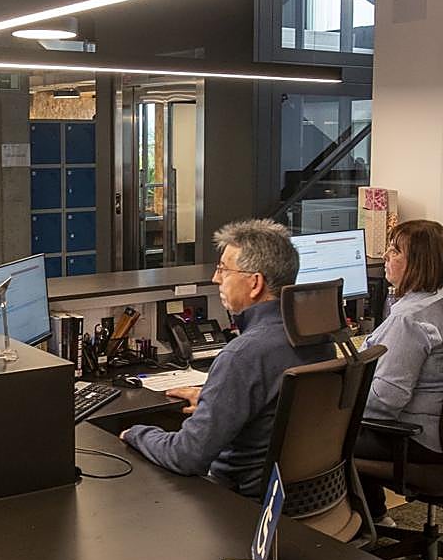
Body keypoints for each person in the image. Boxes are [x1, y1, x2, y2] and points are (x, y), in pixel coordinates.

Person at [119, 219, 335, 497]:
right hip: (311, 496)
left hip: (242, 506)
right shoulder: (321, 337)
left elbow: (187, 456)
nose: (216, 278)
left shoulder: (243, 356)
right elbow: (273, 412)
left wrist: (136, 433)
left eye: (223, 269)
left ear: (255, 283)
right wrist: (217, 399)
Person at [354, 219, 443, 522]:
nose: (386, 258)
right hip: (436, 436)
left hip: (418, 441)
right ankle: (376, 515)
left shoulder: (410, 319)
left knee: (319, 435)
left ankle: (359, 527)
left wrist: (336, 401)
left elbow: (384, 404)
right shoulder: (435, 304)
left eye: (395, 252)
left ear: (418, 263)